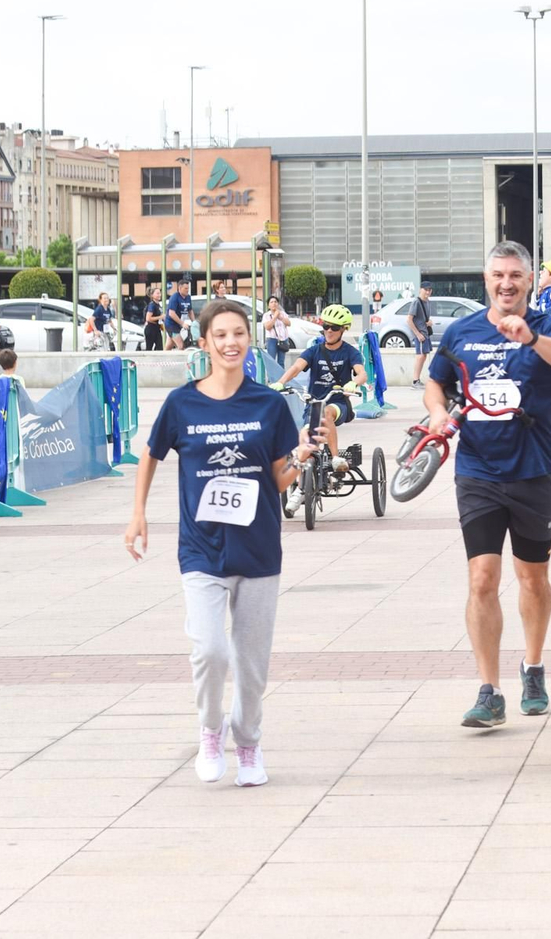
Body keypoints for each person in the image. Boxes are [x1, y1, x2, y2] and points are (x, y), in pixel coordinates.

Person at [126, 298, 320, 789]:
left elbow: (277, 481)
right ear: (206, 342)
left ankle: (249, 743)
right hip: (201, 548)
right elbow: (150, 455)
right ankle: (211, 731)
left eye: (238, 334)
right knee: (210, 650)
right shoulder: (182, 403)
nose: (230, 342)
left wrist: (298, 458)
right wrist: (138, 515)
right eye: (221, 335)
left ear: (248, 340)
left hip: (258, 549)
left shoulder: (269, 404)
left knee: (252, 661)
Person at [423, 240, 551, 728]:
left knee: (532, 578)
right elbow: (436, 380)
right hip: (477, 471)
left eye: (515, 275)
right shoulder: (462, 331)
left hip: (533, 470)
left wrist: (529, 338)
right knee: (482, 579)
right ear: (485, 279)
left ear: (529, 280)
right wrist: (435, 414)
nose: (507, 283)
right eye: (498, 275)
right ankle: (489, 690)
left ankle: (532, 667)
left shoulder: (548, 325)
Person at [273, 305, 366, 472]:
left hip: (338, 404)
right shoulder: (314, 351)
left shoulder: (350, 352)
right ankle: (303, 491)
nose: (329, 331)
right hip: (313, 404)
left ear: (343, 330)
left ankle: (336, 458)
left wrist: (354, 383)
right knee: (305, 449)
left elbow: (362, 374)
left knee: (326, 412)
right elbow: (296, 368)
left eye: (334, 327)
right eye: (326, 326)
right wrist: (281, 382)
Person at [409, 282, 434, 388]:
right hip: (420, 334)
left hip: (425, 332)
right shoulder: (416, 302)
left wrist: (428, 323)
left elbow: (422, 318)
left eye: (429, 290)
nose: (427, 292)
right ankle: (415, 381)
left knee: (423, 356)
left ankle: (417, 380)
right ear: (420, 290)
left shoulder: (427, 301)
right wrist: (417, 334)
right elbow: (409, 320)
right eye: (425, 289)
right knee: (420, 356)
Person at [261, 296, 291, 370]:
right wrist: (274, 317)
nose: (274, 304)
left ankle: (281, 379)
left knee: (281, 361)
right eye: (271, 302)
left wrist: (280, 317)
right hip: (272, 340)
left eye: (275, 302)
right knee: (271, 360)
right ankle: (272, 379)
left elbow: (288, 323)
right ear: (268, 305)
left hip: (283, 339)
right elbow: (268, 327)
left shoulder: (283, 314)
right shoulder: (266, 315)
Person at [166, 279, 194, 349]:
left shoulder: (188, 297)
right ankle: (181, 360)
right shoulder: (175, 297)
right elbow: (171, 313)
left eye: (188, 288)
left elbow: (190, 311)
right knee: (181, 345)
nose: (187, 290)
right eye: (185, 288)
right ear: (180, 288)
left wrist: (194, 322)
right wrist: (182, 323)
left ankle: (162, 359)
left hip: (178, 325)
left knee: (169, 345)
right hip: (171, 325)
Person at [143, 286, 165, 351]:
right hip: (151, 328)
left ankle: (157, 360)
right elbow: (148, 318)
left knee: (160, 347)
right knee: (149, 347)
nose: (159, 295)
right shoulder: (152, 305)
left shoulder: (158, 305)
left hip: (157, 328)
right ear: (152, 295)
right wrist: (160, 317)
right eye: (157, 293)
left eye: (160, 293)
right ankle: (147, 360)